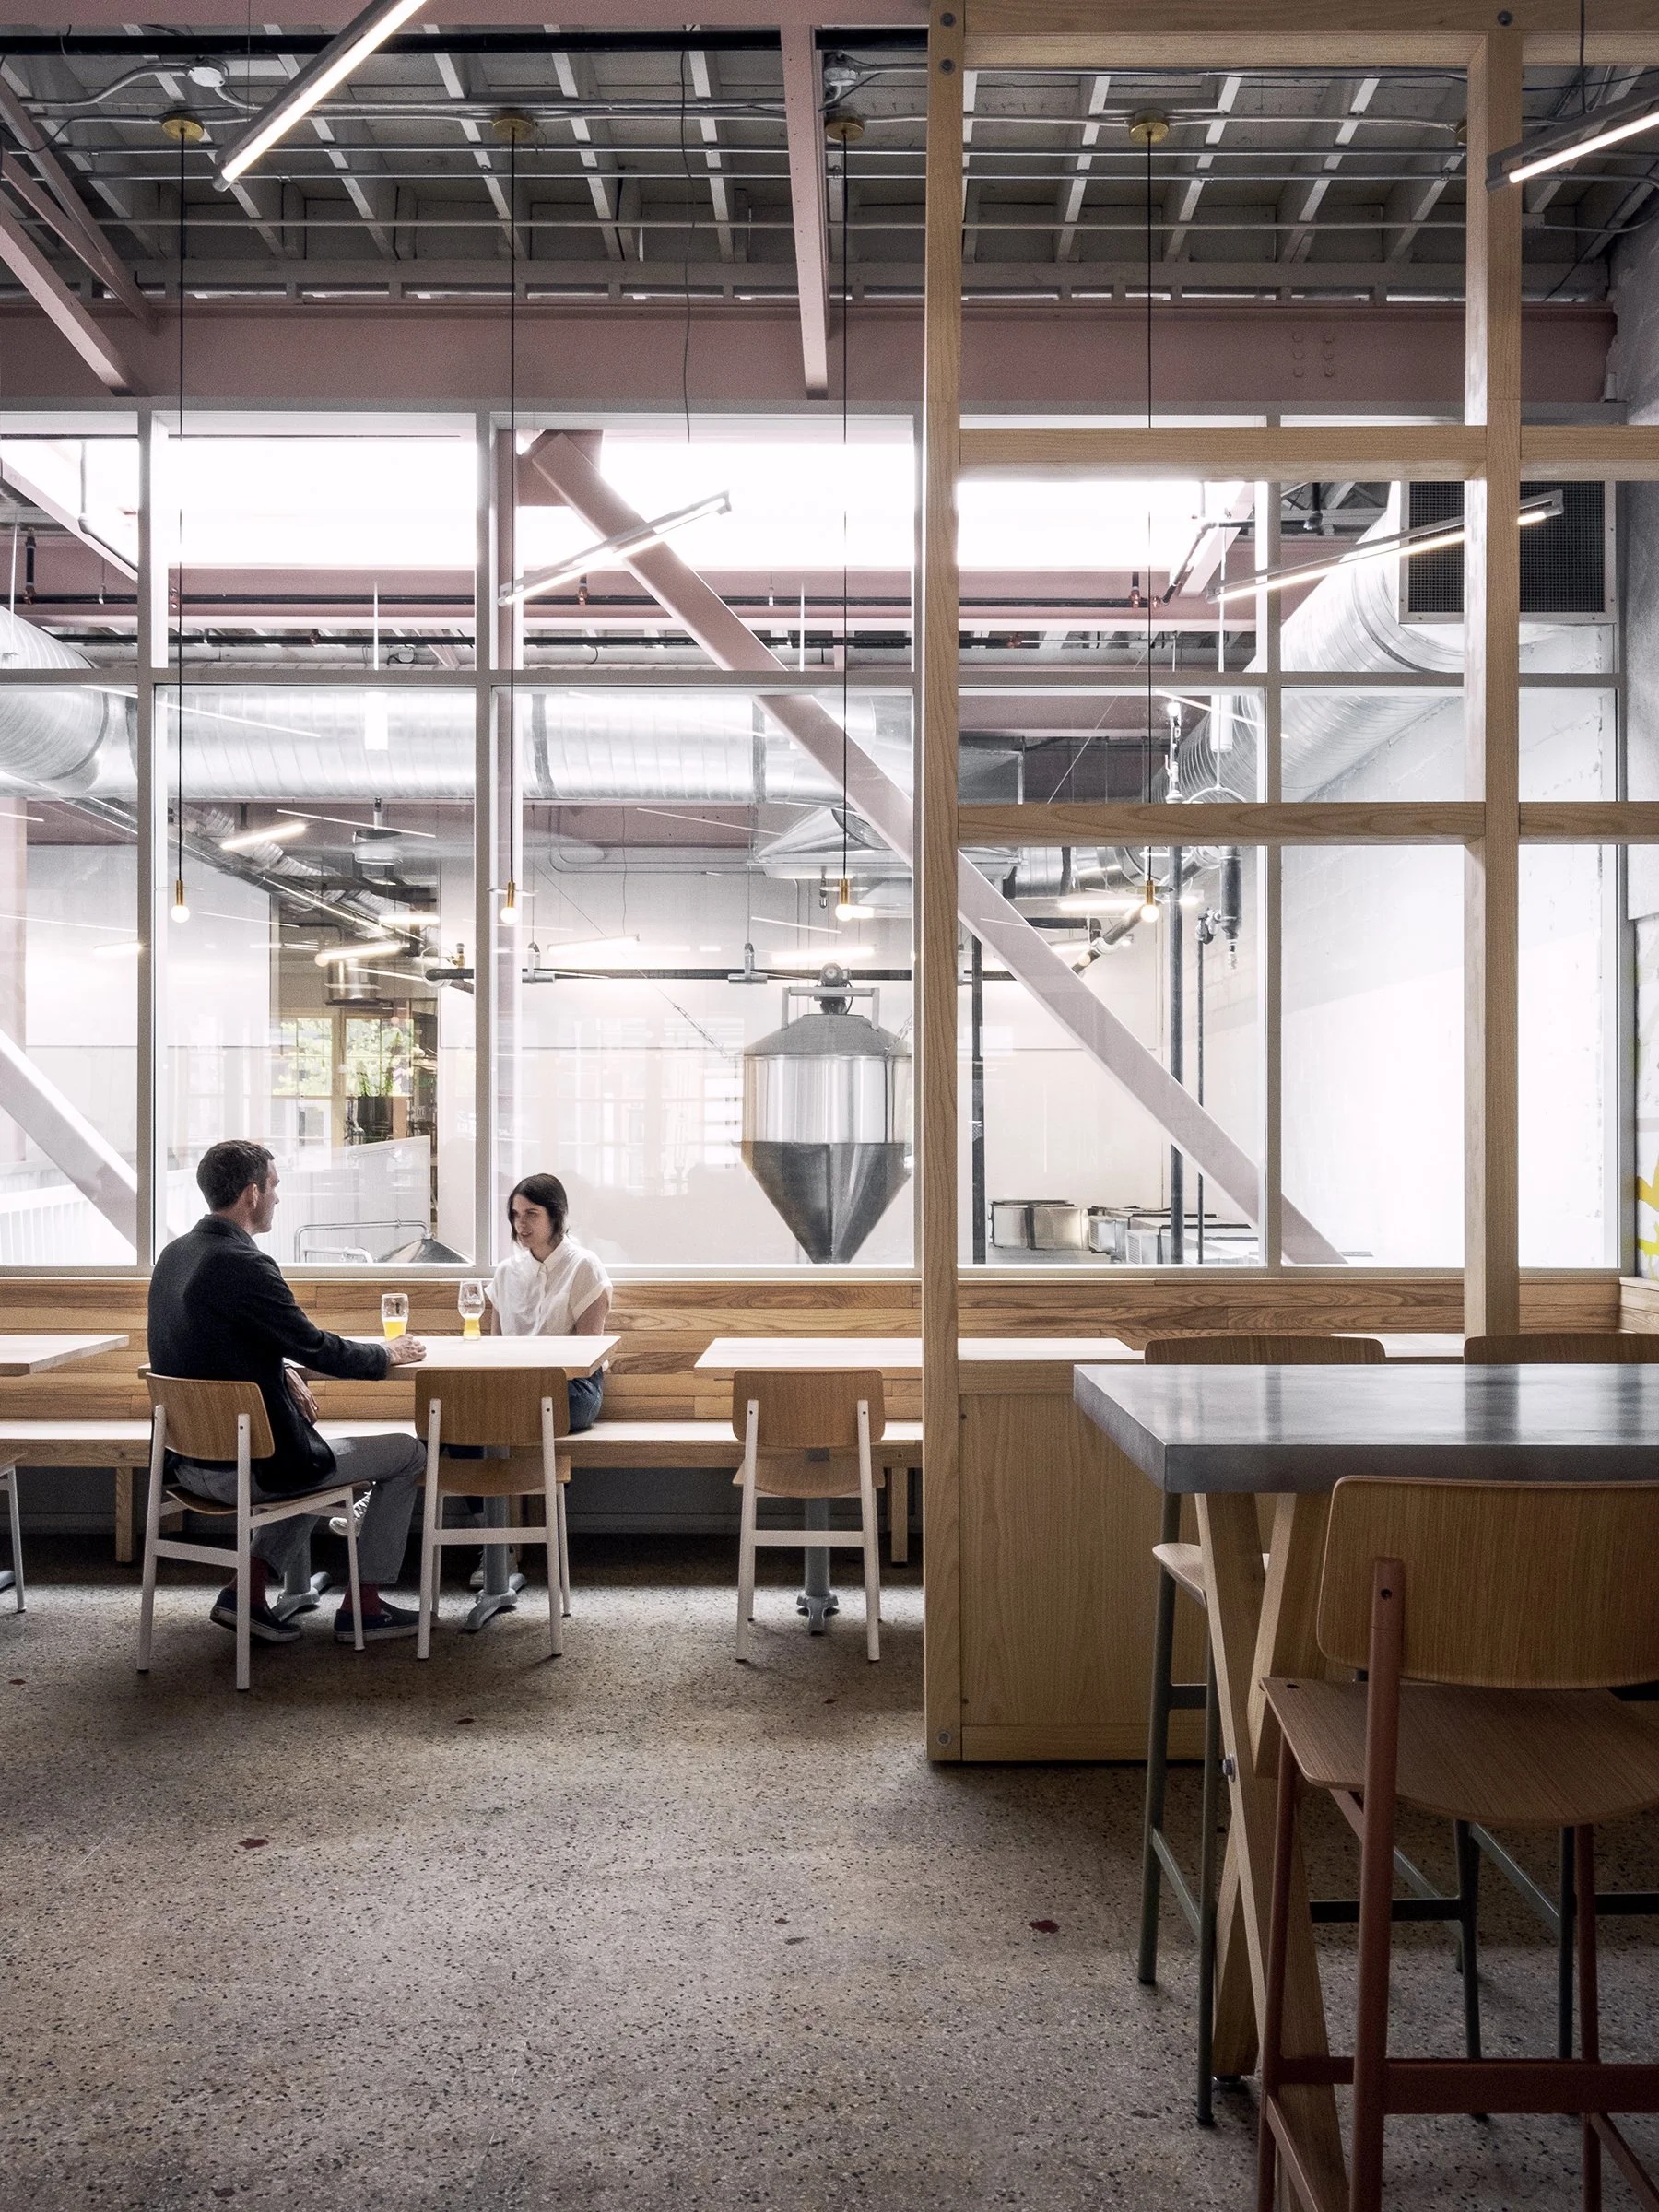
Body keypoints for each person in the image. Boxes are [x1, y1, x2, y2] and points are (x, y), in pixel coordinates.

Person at [147, 1139, 429, 1648]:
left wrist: (275, 1370)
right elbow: (318, 1348)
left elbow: (206, 1347)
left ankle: (246, 1594)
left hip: (185, 1462)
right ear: (252, 1194)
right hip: (245, 1469)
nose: (277, 1197)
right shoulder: (243, 1264)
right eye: (274, 1186)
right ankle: (364, 1607)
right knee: (406, 1453)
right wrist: (387, 1353)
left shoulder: (174, 1256)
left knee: (309, 1461)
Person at [485, 1172, 611, 1432]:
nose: (521, 1224)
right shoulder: (506, 1272)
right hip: (514, 1383)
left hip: (573, 1385)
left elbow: (587, 1357)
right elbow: (494, 1347)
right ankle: (465, 1472)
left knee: (499, 1409)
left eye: (532, 1213)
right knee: (449, 1405)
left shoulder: (584, 1266)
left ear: (556, 1215)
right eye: (515, 1214)